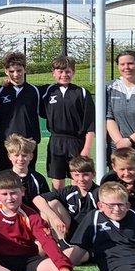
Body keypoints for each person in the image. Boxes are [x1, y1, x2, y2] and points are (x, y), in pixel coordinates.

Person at [40, 55, 94, 189]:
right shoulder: (47, 91)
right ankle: (58, 207)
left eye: (68, 71)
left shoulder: (81, 93)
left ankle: (77, 206)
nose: (64, 74)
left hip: (77, 142)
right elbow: (25, 88)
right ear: (53, 73)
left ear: (73, 73)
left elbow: (90, 124)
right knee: (57, 180)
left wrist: (86, 148)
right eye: (60, 71)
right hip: (56, 141)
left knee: (77, 179)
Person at [0, 51, 41, 175]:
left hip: (27, 142)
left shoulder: (35, 91)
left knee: (27, 177)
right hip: (5, 142)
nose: (16, 74)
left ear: (25, 70)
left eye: (19, 70)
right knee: (3, 177)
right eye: (12, 71)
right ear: (6, 71)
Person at [32, 155, 98, 243]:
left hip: (91, 234)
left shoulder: (99, 193)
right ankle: (60, 241)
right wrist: (55, 219)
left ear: (93, 174)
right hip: (70, 231)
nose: (81, 179)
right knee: (52, 204)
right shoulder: (70, 191)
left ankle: (61, 247)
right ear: (71, 175)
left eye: (85, 175)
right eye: (77, 175)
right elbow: (37, 199)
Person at [1, 134, 49, 203]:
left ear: (31, 156)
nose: (20, 159)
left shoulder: (38, 179)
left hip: (33, 213)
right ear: (9, 156)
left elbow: (46, 203)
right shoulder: (3, 178)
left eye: (24, 155)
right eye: (16, 155)